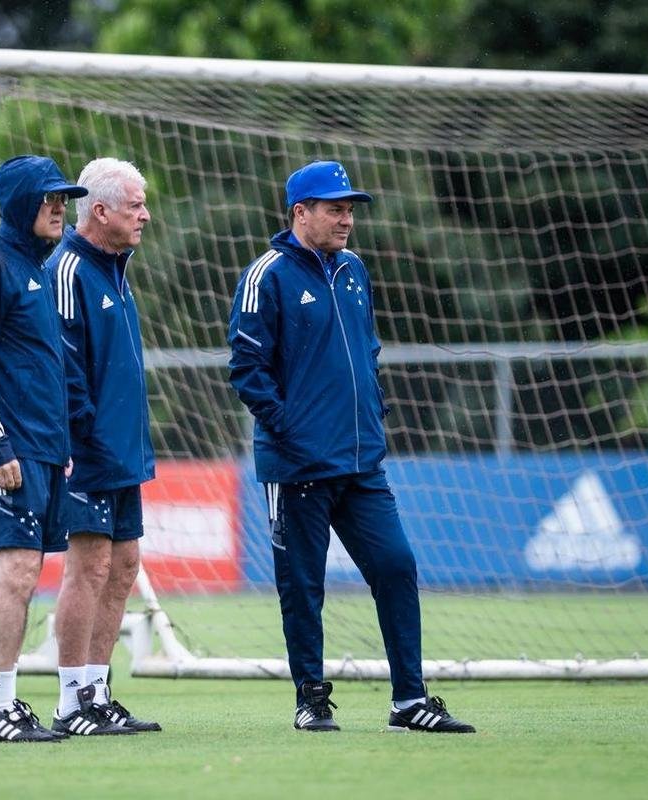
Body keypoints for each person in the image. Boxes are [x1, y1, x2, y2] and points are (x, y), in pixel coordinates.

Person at [227, 161, 476, 734]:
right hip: (297, 467)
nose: (347, 219)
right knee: (303, 586)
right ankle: (310, 699)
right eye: (335, 208)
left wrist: (374, 415)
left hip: (363, 464)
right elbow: (246, 367)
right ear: (300, 213)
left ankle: (409, 701)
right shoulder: (266, 275)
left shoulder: (355, 270)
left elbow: (367, 351)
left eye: (350, 209)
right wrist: (291, 429)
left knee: (396, 566)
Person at [0, 155, 87, 744]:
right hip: (12, 451)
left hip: (45, 450)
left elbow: (38, 368)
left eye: (64, 198)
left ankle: (5, 702)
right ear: (21, 203)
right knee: (18, 570)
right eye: (49, 198)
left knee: (29, 572)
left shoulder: (37, 268)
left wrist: (62, 443)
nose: (60, 207)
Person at [47, 158, 159, 736]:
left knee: (123, 566)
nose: (145, 214)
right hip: (86, 451)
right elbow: (63, 369)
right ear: (101, 211)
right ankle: (70, 702)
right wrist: (79, 439)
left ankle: (96, 690)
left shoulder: (118, 268)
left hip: (123, 450)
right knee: (88, 568)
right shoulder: (67, 269)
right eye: (136, 205)